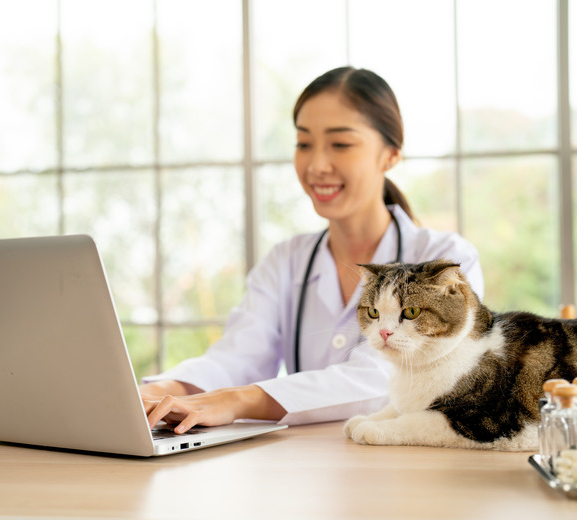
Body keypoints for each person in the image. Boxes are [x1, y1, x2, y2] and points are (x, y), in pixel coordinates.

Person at [141, 66, 484, 433]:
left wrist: (240, 400)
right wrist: (158, 393)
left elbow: (382, 376)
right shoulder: (286, 261)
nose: (317, 165)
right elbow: (237, 356)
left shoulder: (445, 262)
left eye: (341, 144)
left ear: (390, 155)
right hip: (304, 464)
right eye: (304, 144)